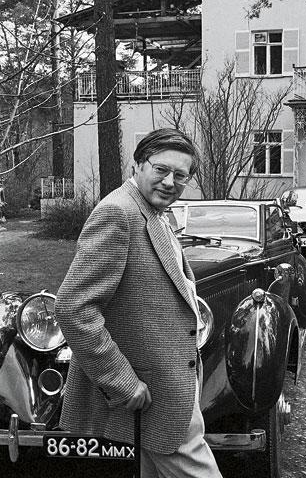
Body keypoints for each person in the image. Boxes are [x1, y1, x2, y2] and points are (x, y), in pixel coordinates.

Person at [55, 128, 222, 478]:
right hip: (154, 392)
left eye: (181, 175)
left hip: (171, 383)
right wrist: (121, 381)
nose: (170, 182)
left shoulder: (151, 211)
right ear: (138, 164)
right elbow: (74, 308)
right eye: (161, 169)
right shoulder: (118, 213)